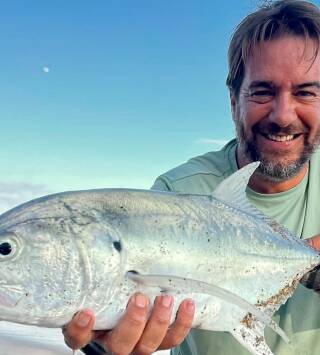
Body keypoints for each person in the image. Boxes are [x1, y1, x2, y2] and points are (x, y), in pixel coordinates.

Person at [63, 0, 320, 354]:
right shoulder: (176, 194)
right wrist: (105, 347)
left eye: (306, 92)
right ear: (233, 100)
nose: (283, 114)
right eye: (263, 91)